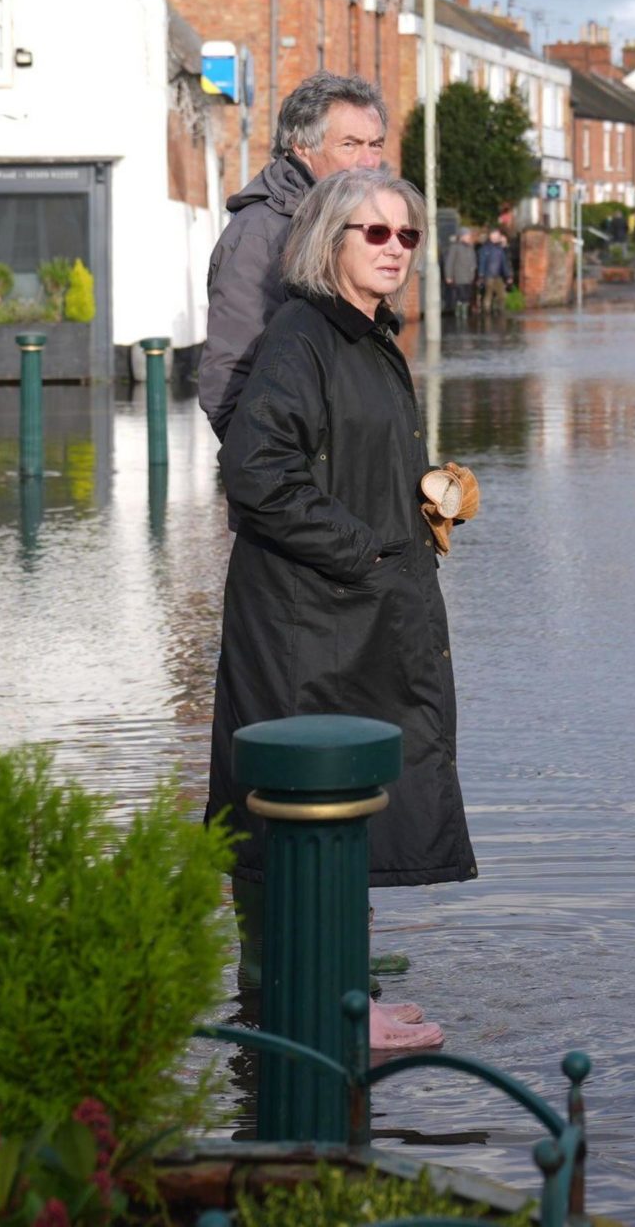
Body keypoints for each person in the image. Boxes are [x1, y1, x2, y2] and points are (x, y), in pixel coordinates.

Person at [208, 166, 474, 1052]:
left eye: (407, 235)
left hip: (349, 617)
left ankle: (341, 1002)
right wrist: (365, 548)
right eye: (376, 233)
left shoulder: (366, 338)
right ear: (331, 240)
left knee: (349, 810)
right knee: (304, 816)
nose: (396, 248)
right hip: (303, 624)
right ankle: (318, 1019)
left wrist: (423, 495)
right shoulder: (300, 338)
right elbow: (257, 476)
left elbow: (341, 459)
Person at [200, 73, 389, 436]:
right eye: (350, 145)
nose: (368, 161)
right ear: (302, 146)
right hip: (299, 473)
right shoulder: (263, 234)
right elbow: (228, 377)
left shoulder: (348, 220)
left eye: (375, 145)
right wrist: (277, 478)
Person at [475, 226, 511, 312]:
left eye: (499, 235)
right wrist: (481, 275)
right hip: (488, 276)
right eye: (497, 235)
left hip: (498, 276)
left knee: (502, 295)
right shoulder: (484, 248)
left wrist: (508, 275)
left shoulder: (500, 249)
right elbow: (482, 262)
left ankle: (500, 311)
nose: (499, 236)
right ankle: (486, 313)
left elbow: (503, 264)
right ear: (492, 235)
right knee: (488, 294)